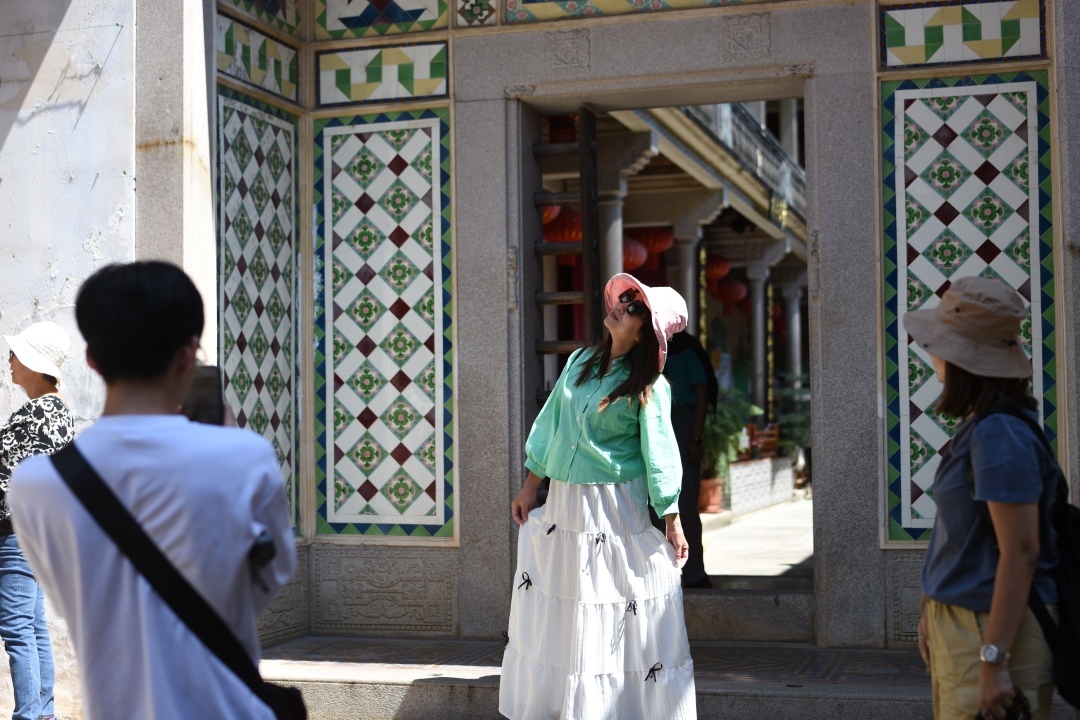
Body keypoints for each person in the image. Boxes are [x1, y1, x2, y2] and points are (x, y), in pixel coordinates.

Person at [8, 262, 296, 720]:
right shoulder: (246, 459)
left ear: (91, 360)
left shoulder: (36, 484)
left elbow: (72, 601)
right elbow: (266, 581)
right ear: (190, 354)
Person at [500, 273, 697, 720]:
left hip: (612, 508)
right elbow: (551, 423)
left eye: (634, 307)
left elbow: (661, 453)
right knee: (570, 603)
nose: (621, 306)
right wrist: (530, 485)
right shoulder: (580, 361)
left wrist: (671, 518)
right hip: (565, 505)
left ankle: (611, 708)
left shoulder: (650, 386)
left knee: (607, 602)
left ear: (645, 330)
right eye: (624, 298)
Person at [906, 276, 1058, 720]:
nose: (930, 350)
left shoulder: (998, 433)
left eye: (939, 342)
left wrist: (993, 659)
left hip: (990, 630)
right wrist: (934, 608)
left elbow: (1021, 552)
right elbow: (966, 535)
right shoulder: (982, 425)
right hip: (966, 623)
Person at [0, 322, 72, 720]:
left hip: (20, 534)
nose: (9, 360)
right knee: (31, 625)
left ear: (32, 361)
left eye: (15, 354)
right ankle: (43, 714)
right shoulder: (56, 411)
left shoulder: (39, 414)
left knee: (17, 628)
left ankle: (29, 715)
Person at [655, 330, 715, 589]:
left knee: (686, 503)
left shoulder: (687, 350)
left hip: (683, 425)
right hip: (656, 423)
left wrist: (695, 439)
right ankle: (659, 575)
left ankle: (694, 574)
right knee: (653, 507)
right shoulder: (648, 348)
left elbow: (702, 394)